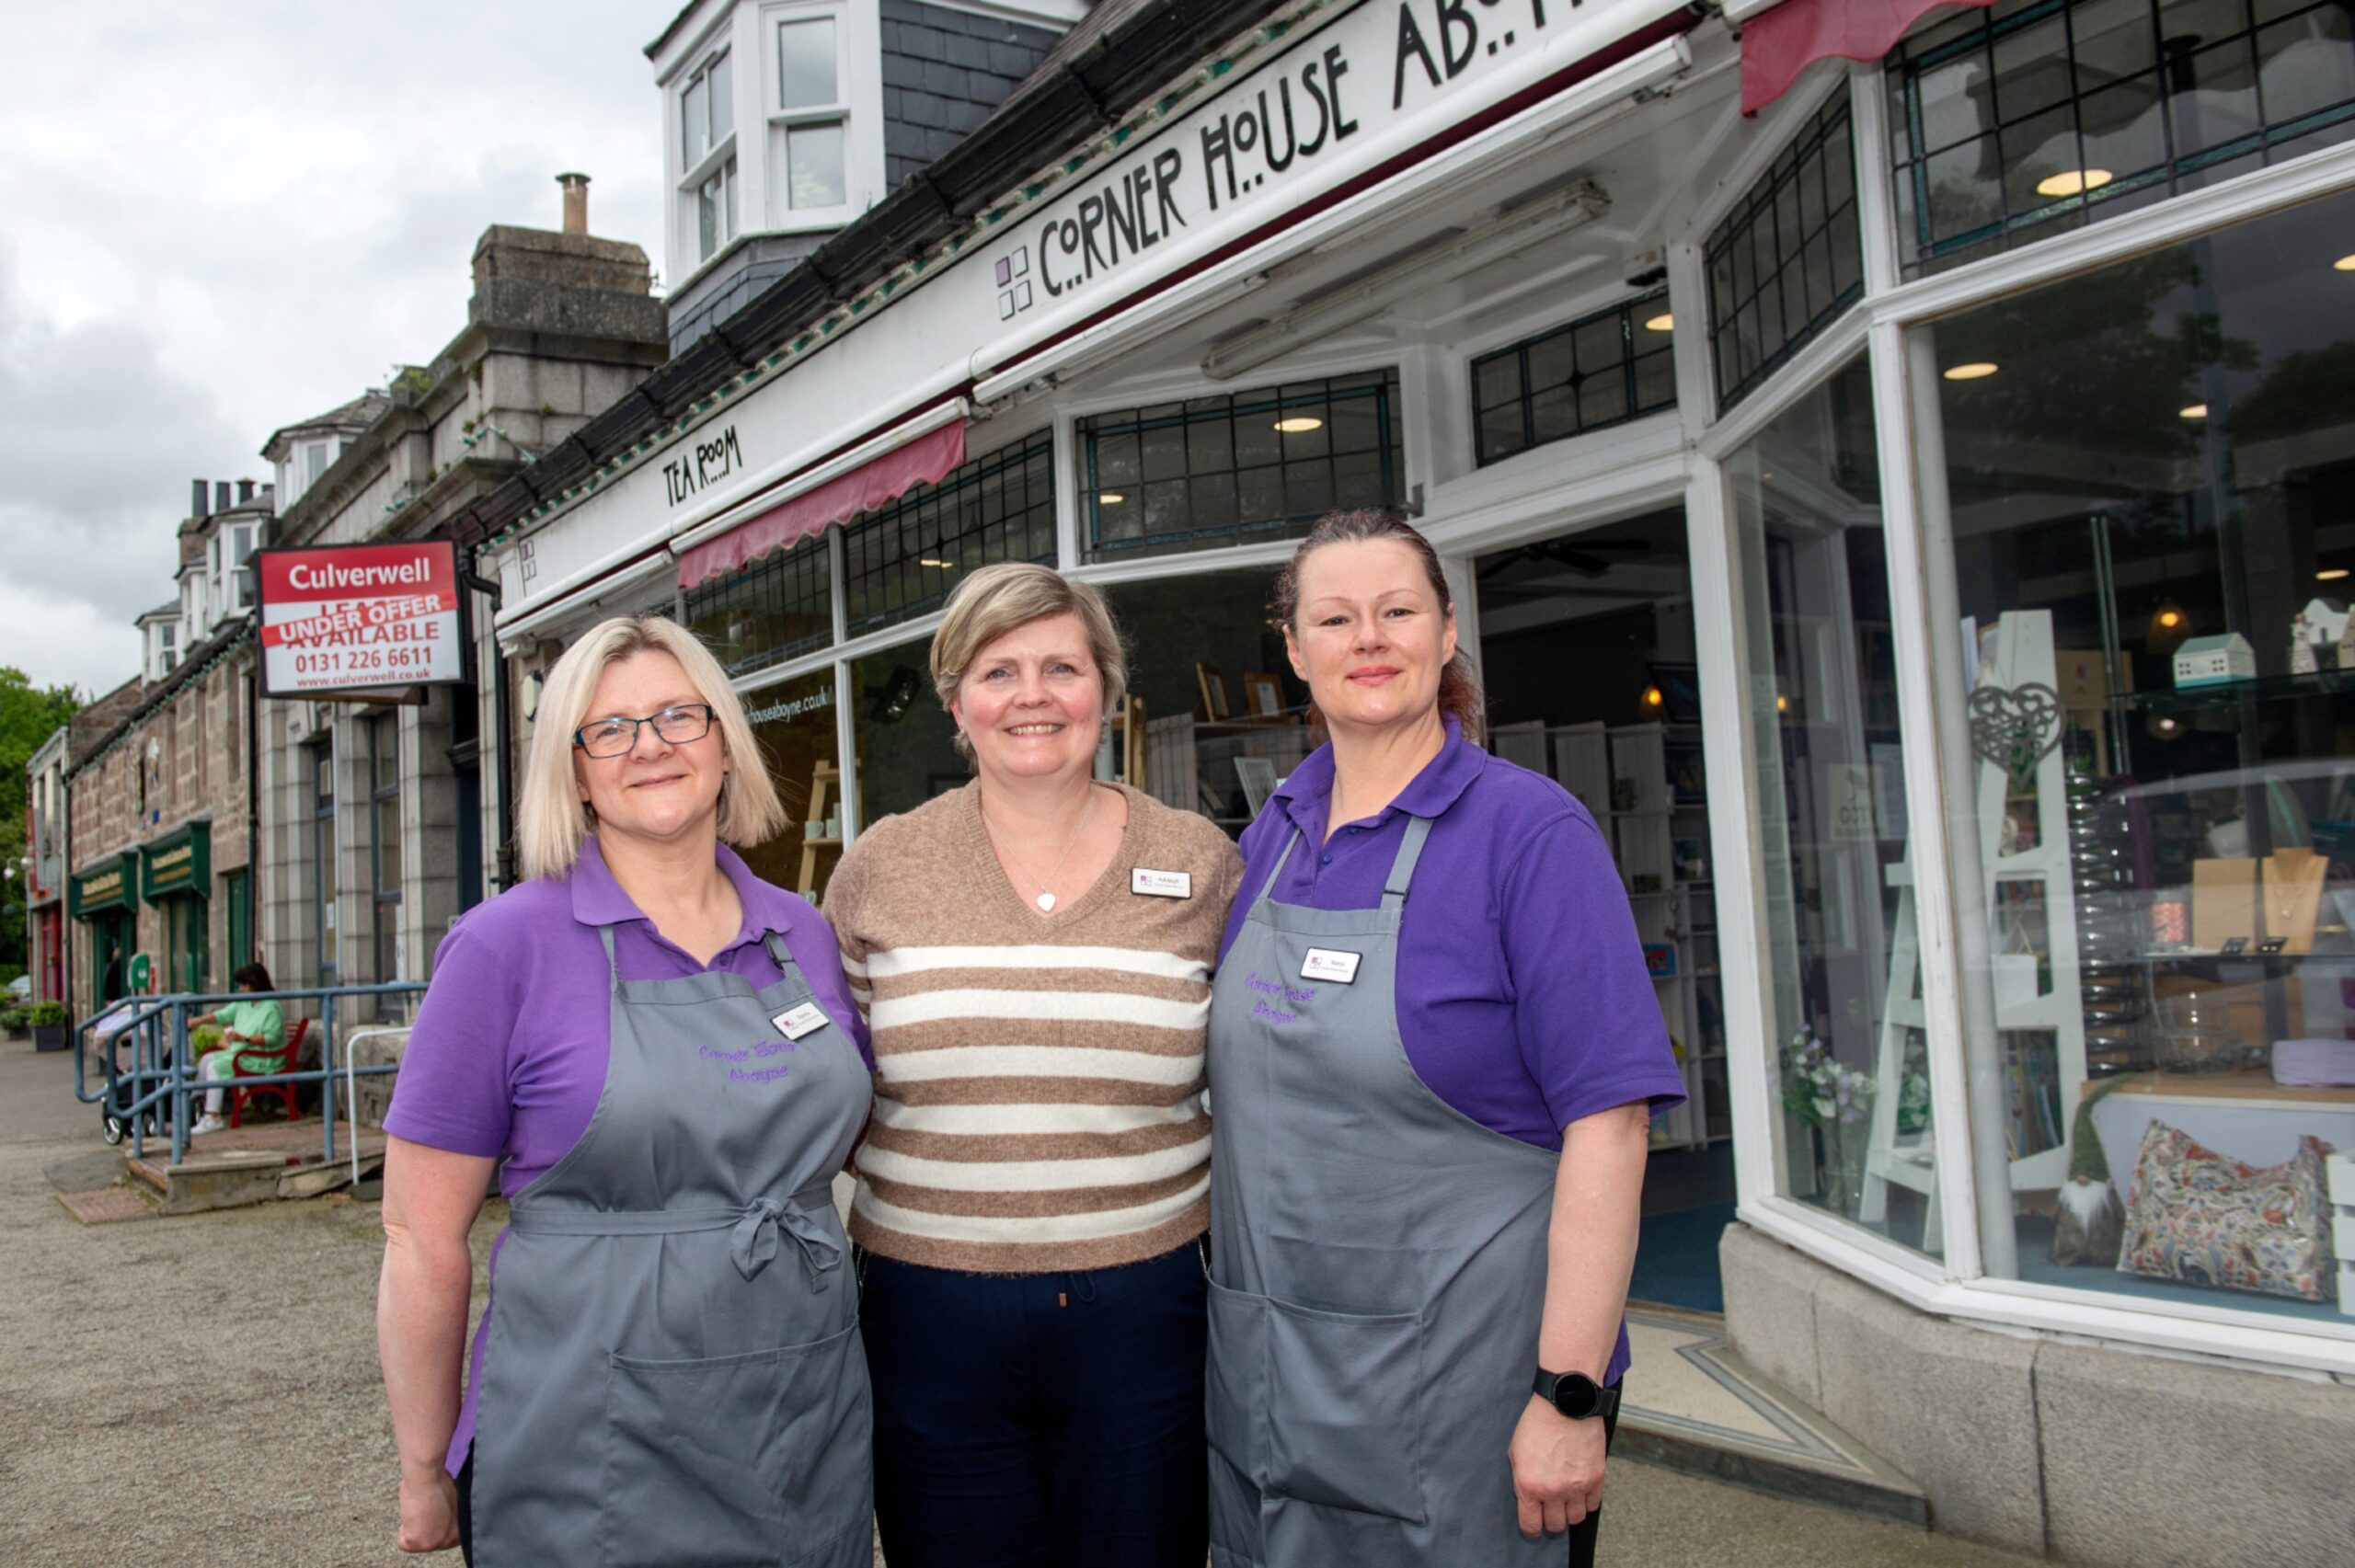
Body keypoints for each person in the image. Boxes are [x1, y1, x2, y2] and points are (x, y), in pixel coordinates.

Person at [1205, 511, 1686, 1568]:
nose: (1368, 638)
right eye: (1335, 617)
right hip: (1274, 1392)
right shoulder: (1269, 837)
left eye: (1397, 611)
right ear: (1294, 649)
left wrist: (1567, 1394)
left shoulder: (1530, 835)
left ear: (1445, 628)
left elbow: (1610, 1130)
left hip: (1469, 1395)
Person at [374, 616, 875, 1567]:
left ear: (723, 743)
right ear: (573, 770)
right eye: (610, 728)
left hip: (800, 1410)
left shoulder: (801, 932)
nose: (649, 745)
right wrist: (422, 1464)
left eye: (678, 716)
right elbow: (419, 1235)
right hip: (587, 1426)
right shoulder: (501, 947)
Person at [826, 562, 1241, 1568]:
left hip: (1146, 1307)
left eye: (1063, 665)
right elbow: (832, 1085)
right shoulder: (880, 866)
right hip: (928, 1309)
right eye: (998, 670)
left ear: (1105, 686)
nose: (1033, 696)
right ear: (956, 699)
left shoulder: (1201, 862)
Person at [186, 962, 286, 1135]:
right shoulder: (244, 1003)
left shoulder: (271, 1007)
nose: (241, 989)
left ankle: (213, 1117)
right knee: (206, 1060)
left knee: (215, 1067)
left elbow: (272, 1038)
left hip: (262, 1057)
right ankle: (198, 1103)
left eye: (244, 985)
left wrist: (242, 1038)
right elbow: (222, 1015)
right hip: (242, 1053)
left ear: (254, 985)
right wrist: (199, 1021)